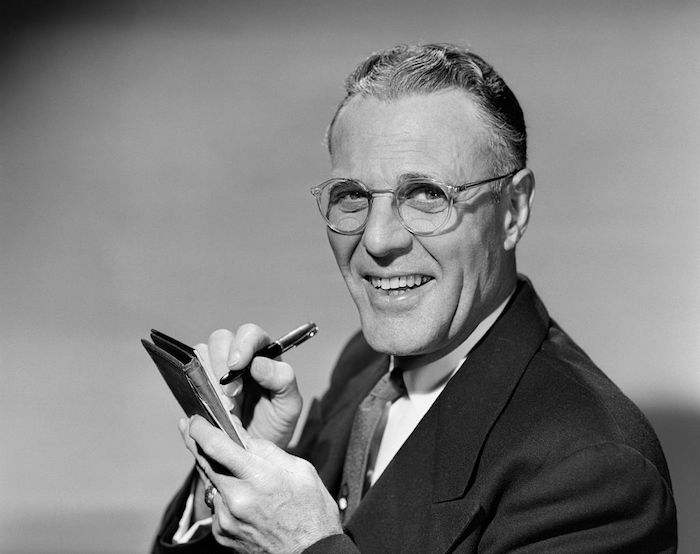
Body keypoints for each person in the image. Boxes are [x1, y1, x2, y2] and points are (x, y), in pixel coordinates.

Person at [151, 43, 677, 553]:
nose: (378, 241)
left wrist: (305, 547)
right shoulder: (363, 365)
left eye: (427, 195)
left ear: (513, 210)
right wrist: (235, 468)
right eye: (353, 196)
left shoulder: (595, 472)